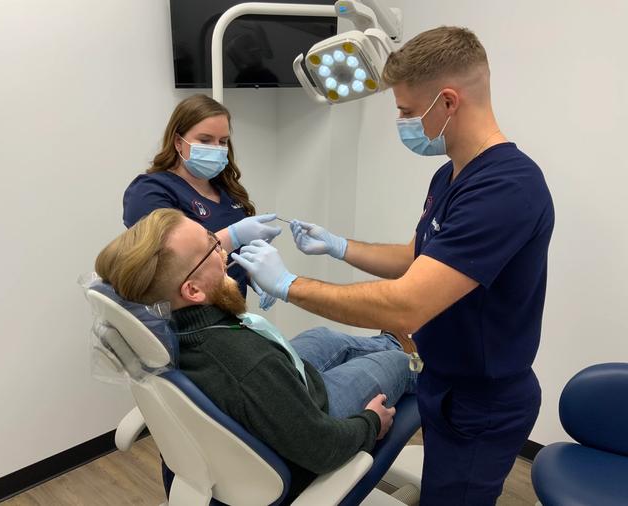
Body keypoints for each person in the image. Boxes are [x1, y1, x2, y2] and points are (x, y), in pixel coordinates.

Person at [231, 26, 555, 505]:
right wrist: (340, 246)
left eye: (405, 111)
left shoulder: (506, 188)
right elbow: (416, 257)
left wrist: (288, 284)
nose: (401, 122)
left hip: (482, 401)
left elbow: (406, 307)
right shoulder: (451, 175)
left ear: (447, 102)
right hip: (441, 381)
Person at [94, 208, 419, 503]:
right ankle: (405, 354)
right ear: (192, 291)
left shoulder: (170, 327)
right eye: (211, 247)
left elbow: (256, 368)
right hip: (313, 424)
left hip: (277, 394)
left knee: (322, 337)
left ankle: (390, 340)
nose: (223, 251)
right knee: (400, 363)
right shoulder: (247, 365)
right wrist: (370, 422)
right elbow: (322, 449)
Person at [122, 94, 280, 306]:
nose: (216, 148)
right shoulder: (150, 191)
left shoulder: (227, 190)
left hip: (230, 314)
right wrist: (234, 235)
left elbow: (233, 258)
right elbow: (166, 263)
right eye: (205, 140)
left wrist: (255, 274)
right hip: (184, 320)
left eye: (222, 141)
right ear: (179, 142)